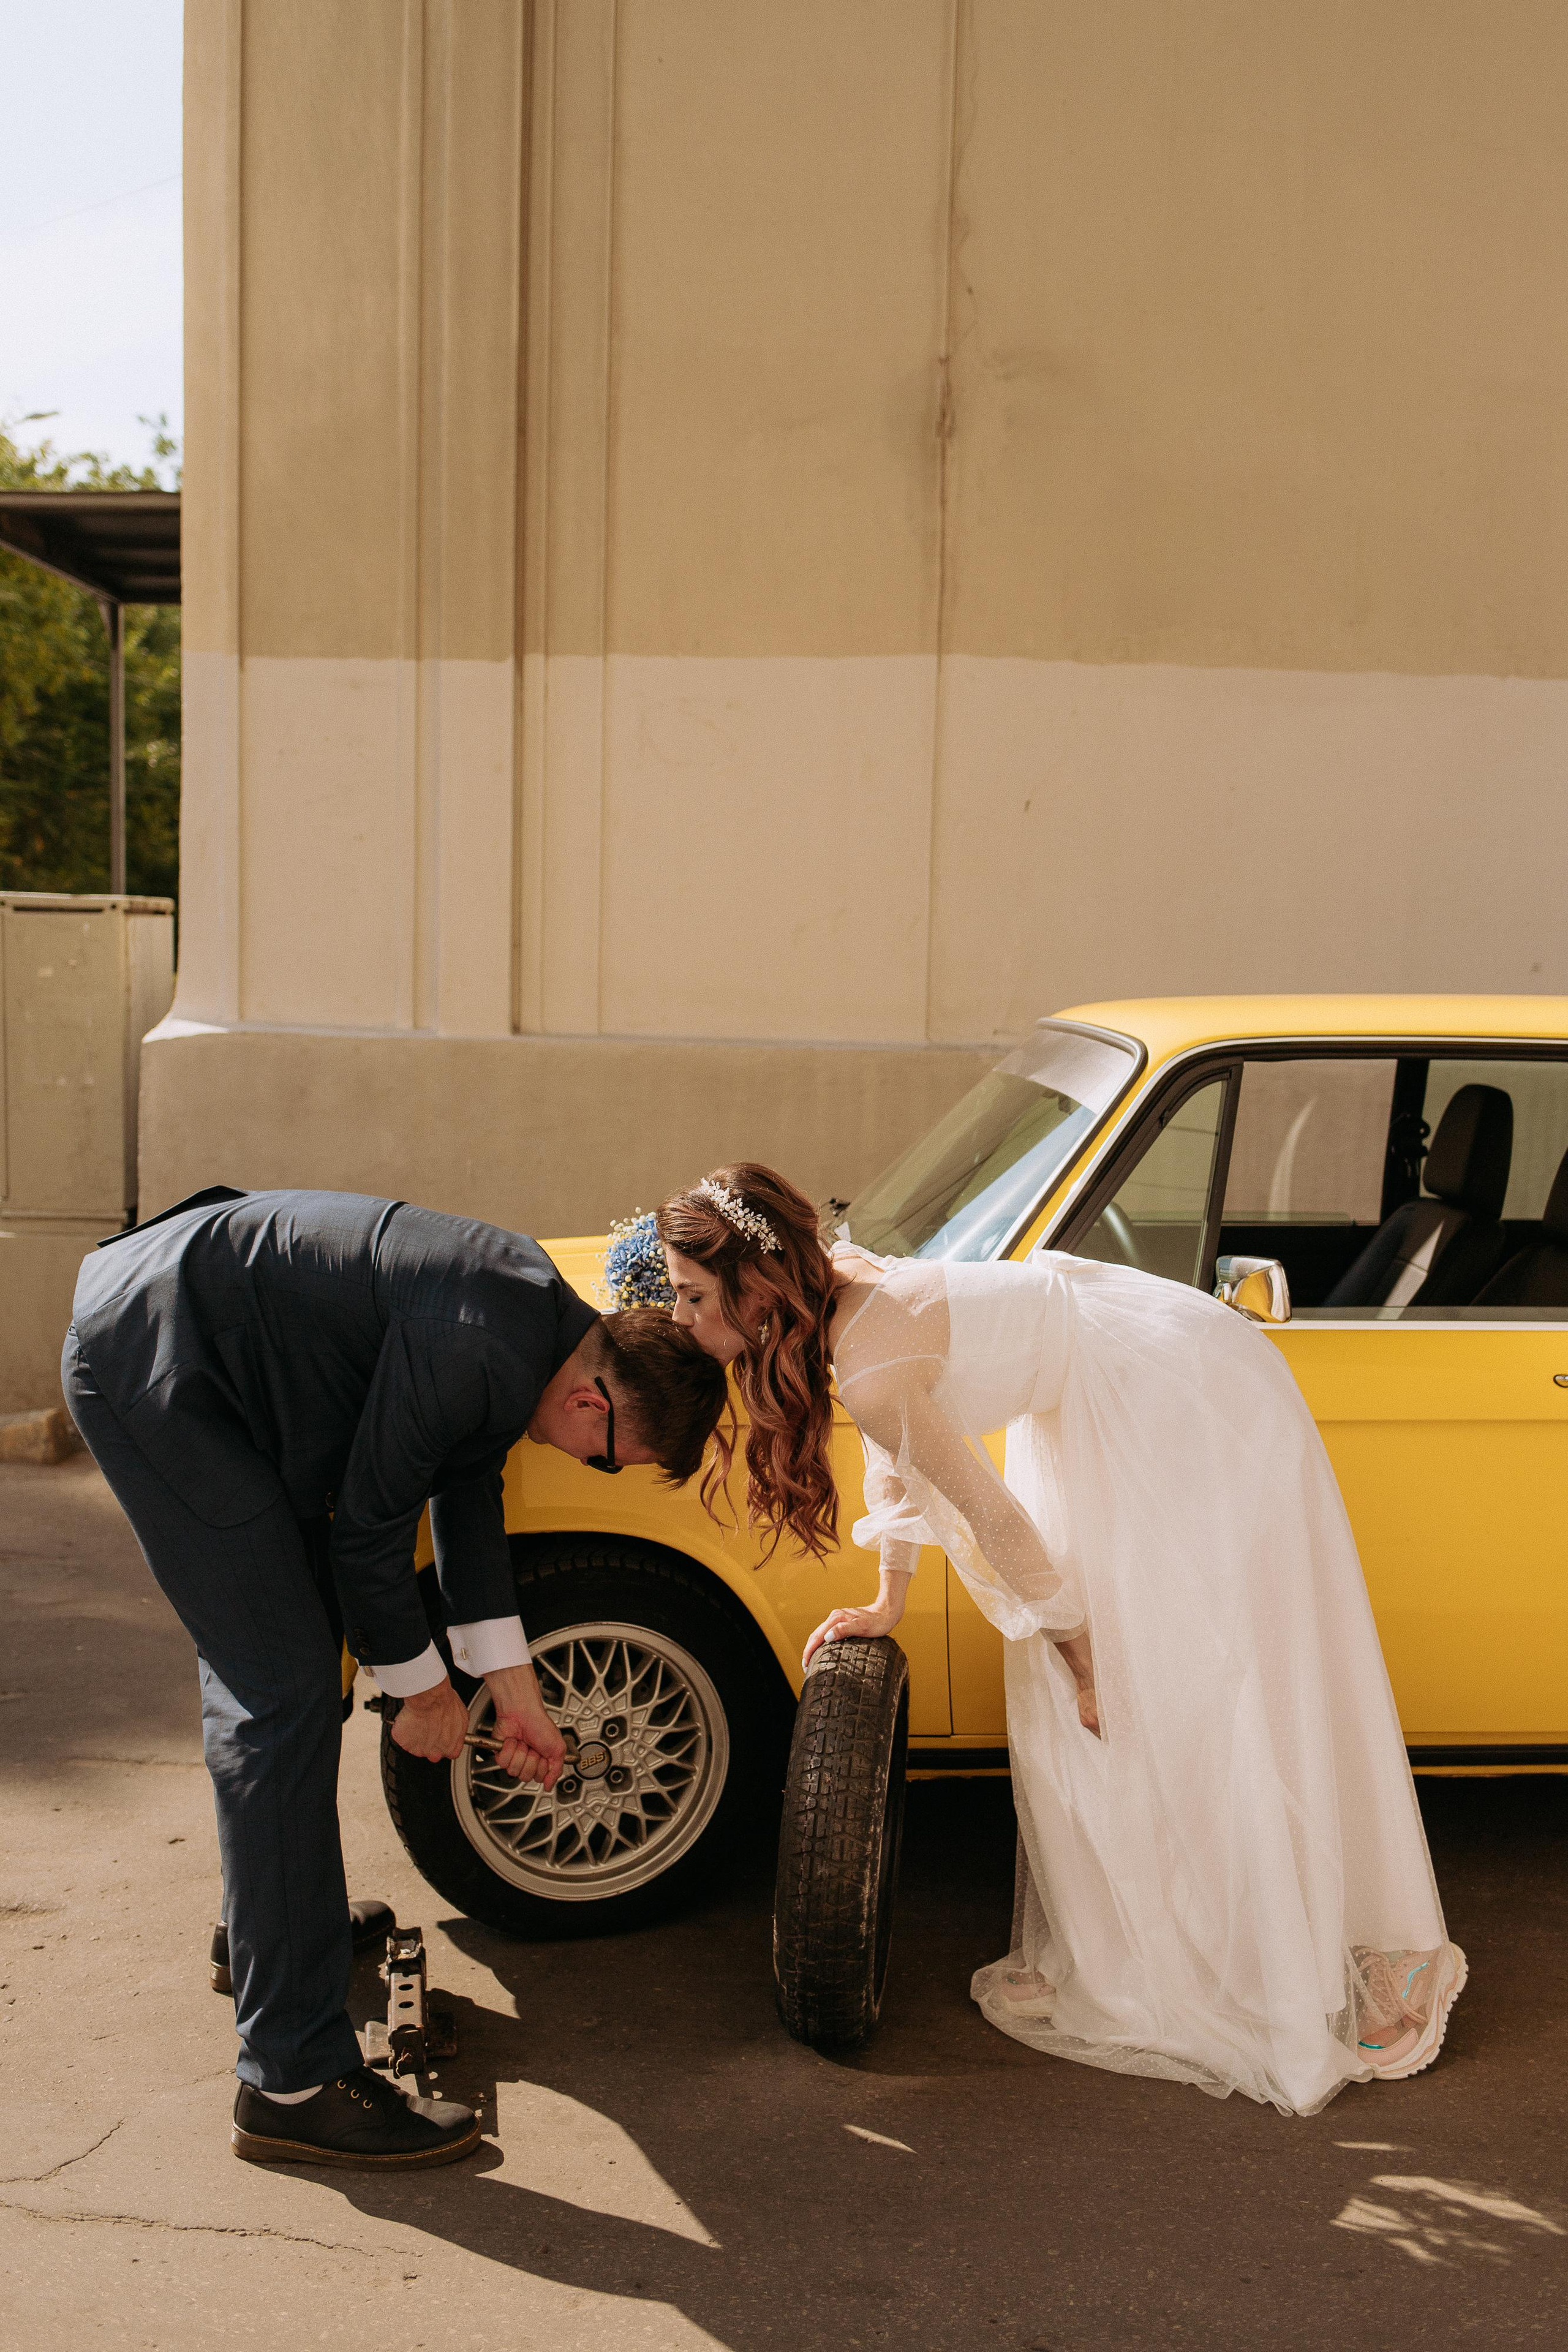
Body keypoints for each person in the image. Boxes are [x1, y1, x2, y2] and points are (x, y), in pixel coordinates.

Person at [655, 1163, 1465, 2116]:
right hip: (1103, 1387)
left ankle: (1292, 1966)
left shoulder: (866, 1359)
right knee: (1105, 1676)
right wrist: (889, 1597)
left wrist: (1083, 1656)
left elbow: (991, 1515)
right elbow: (899, 1459)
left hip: (1168, 1395)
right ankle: (1158, 1942)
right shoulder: (843, 1295)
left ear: (758, 1287)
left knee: (1177, 1680)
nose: (678, 1315)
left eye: (692, 1294)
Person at [64, 1186, 729, 2169]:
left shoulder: (536, 1322)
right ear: (591, 1402)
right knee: (281, 1693)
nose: (592, 1465)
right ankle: (289, 2082)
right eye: (607, 1461)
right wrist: (422, 1694)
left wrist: (514, 1692)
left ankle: (275, 1930)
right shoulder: (482, 1348)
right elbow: (372, 1532)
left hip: (220, 1350)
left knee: (302, 1647)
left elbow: (465, 1493)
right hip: (158, 1362)